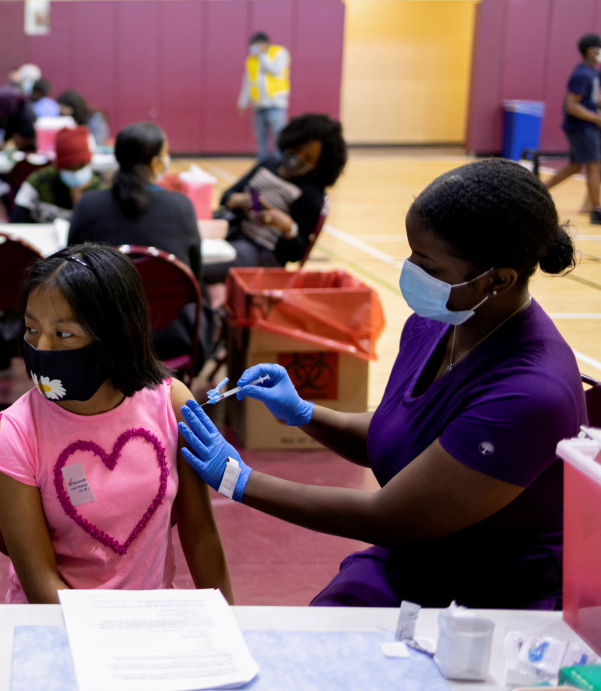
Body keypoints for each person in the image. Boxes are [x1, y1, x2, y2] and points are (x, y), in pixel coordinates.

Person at [179, 159, 584, 610]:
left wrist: (238, 480)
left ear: (498, 280)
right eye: (411, 253)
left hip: (494, 594)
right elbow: (403, 437)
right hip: (420, 558)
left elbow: (389, 516)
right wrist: (305, 413)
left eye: (428, 264)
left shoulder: (532, 393)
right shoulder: (434, 324)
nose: (411, 271)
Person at [0, 244, 233, 604]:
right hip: (62, 626)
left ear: (112, 336)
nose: (43, 348)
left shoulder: (172, 404)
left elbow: (200, 533)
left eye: (64, 334)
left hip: (151, 621)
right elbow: (41, 584)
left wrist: (230, 623)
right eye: (31, 329)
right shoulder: (15, 433)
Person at [68, 122, 207, 361]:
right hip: (170, 336)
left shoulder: (87, 205)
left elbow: (70, 271)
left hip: (102, 338)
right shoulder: (181, 206)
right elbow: (195, 274)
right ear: (156, 163)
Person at [203, 113, 346, 283]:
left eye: (308, 158)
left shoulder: (311, 195)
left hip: (261, 253)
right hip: (230, 232)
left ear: (319, 164)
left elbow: (295, 255)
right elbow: (226, 197)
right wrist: (243, 201)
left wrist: (287, 227)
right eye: (297, 150)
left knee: (199, 264)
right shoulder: (268, 165)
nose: (298, 158)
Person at [543, 33, 601, 223]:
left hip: (587, 126)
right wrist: (597, 119)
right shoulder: (582, 74)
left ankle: (538, 192)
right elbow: (572, 105)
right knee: (594, 165)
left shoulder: (593, 73)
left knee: (575, 167)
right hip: (581, 127)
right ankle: (596, 210)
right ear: (591, 51)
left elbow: (593, 99)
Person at [12, 125, 106, 224]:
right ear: (58, 167)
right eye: (69, 168)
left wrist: (78, 200)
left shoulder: (99, 191)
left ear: (88, 163)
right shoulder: (38, 182)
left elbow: (98, 231)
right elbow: (17, 223)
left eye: (80, 166)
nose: (76, 173)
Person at [238, 32, 290, 160]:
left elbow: (275, 70)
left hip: (275, 104)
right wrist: (243, 102)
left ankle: (279, 162)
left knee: (279, 136)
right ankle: (262, 162)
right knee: (261, 138)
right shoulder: (252, 59)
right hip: (258, 105)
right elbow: (248, 81)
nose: (254, 48)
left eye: (257, 45)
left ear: (265, 44)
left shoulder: (279, 53)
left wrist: (262, 55)